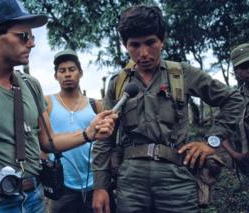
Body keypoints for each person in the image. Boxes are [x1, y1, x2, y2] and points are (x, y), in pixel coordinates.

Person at [0, 0, 117, 212]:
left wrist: (88, 133)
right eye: (23, 36)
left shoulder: (30, 85)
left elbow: (48, 141)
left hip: (33, 200)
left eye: (32, 36)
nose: (31, 43)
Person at [91, 4, 243, 213]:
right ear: (125, 45)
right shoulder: (118, 83)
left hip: (176, 178)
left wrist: (211, 141)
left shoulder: (182, 74)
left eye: (150, 42)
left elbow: (234, 99)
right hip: (130, 183)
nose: (143, 53)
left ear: (162, 40)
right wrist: (100, 186)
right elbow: (104, 137)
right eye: (135, 45)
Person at [44, 49, 102, 213]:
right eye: (62, 71)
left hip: (93, 183)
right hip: (62, 185)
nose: (67, 75)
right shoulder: (47, 103)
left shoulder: (95, 104)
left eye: (72, 69)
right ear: (55, 76)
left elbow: (105, 142)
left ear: (80, 73)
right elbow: (40, 141)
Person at [222, 43, 249, 175]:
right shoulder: (234, 100)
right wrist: (235, 155)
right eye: (244, 66)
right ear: (236, 71)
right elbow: (220, 132)